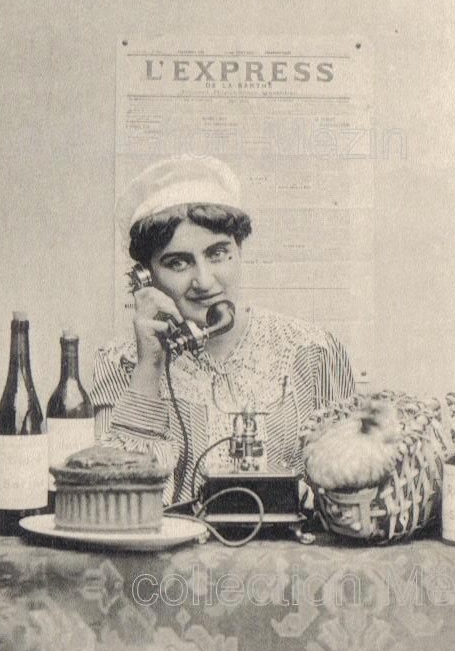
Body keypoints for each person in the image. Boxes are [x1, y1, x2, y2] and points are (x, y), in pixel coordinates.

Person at [91, 155, 355, 505]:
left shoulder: (314, 352)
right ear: (146, 277)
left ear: (239, 252)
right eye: (178, 262)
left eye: (217, 254)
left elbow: (353, 493)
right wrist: (149, 367)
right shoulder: (119, 363)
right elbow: (111, 502)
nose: (204, 281)